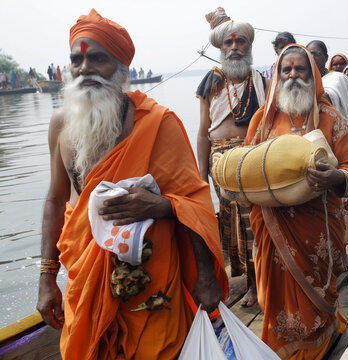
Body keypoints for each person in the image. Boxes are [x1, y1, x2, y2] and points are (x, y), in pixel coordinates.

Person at [36, 9, 228, 358]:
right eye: (76, 60)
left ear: (122, 68)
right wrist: (47, 278)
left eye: (98, 59)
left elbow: (195, 200)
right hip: (86, 278)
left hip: (152, 282)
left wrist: (204, 274)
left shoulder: (158, 123)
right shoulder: (60, 125)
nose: (85, 69)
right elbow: (54, 200)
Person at [245, 44, 348, 359]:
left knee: (316, 290)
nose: (293, 75)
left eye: (300, 69)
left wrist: (334, 178)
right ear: (278, 75)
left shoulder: (329, 117)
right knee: (276, 293)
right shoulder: (262, 120)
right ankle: (281, 344)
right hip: (272, 225)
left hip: (318, 225)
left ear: (313, 75)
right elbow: (245, 167)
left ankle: (318, 339)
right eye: (287, 70)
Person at [196, 7, 266, 307]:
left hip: (253, 157)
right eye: (229, 43)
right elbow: (202, 132)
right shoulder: (211, 81)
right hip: (220, 162)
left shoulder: (259, 79)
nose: (235, 47)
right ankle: (249, 281)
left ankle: (258, 283)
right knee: (233, 225)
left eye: (241, 42)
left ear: (249, 47)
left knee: (257, 223)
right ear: (221, 48)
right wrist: (200, 175)